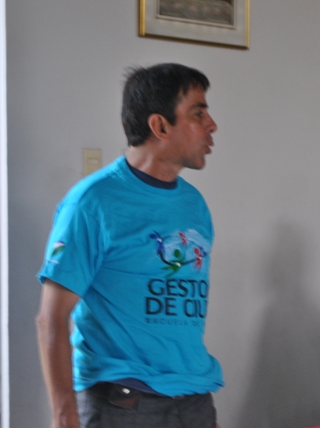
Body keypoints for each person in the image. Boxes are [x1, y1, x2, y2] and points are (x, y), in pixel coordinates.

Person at [36, 63, 222, 428]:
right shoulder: (92, 203)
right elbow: (51, 319)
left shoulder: (194, 205)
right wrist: (64, 416)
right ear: (160, 126)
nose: (212, 125)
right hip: (123, 406)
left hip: (194, 401)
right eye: (198, 113)